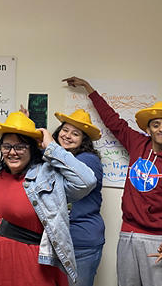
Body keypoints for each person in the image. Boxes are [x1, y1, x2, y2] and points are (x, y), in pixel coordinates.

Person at [62, 76, 162, 286]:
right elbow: (113, 122)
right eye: (156, 125)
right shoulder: (137, 144)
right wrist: (90, 89)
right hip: (127, 235)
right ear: (148, 129)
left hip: (157, 241)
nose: (161, 129)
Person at [0, 111, 97, 286]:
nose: (12, 152)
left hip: (27, 261)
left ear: (32, 149)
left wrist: (51, 147)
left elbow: (87, 181)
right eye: (7, 146)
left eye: (20, 147)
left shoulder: (46, 176)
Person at [51, 109, 105, 286]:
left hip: (81, 241)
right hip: (59, 239)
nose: (67, 136)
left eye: (75, 134)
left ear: (84, 140)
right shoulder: (58, 157)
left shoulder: (88, 160)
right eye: (65, 130)